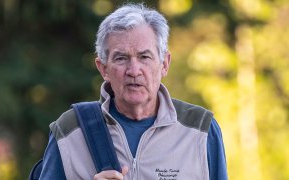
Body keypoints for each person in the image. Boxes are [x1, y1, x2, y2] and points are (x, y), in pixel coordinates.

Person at [38, 3, 228, 180]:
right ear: (103, 68)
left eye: (144, 57)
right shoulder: (70, 130)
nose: (134, 70)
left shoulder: (201, 130)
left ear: (164, 63)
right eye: (121, 58)